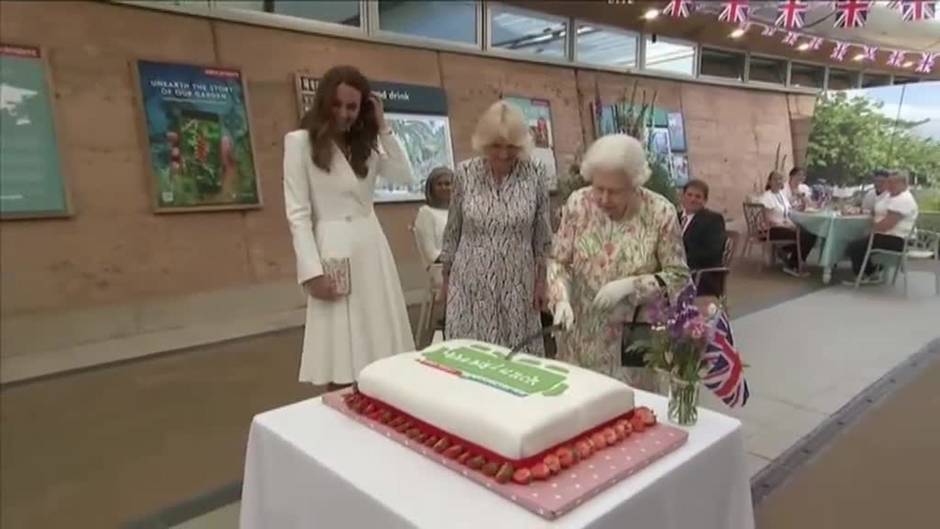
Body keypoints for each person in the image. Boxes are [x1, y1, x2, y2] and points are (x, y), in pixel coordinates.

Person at [283, 65, 416, 387]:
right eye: (337, 104)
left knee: (380, 338)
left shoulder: (366, 145)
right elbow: (297, 213)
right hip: (332, 248)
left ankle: (382, 398)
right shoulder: (300, 142)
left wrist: (382, 126)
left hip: (372, 246)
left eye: (353, 107)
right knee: (340, 348)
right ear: (324, 102)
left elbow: (404, 175)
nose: (344, 113)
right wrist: (311, 272)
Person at [549, 134, 690, 378]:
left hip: (634, 335)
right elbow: (558, 261)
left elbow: (679, 278)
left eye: (614, 191)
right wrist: (561, 299)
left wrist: (631, 286)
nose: (603, 199)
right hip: (581, 333)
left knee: (627, 405)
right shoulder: (578, 204)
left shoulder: (660, 213)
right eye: (598, 188)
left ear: (635, 184)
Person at [439, 100, 552, 356]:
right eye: (496, 146)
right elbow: (452, 230)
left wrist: (542, 282)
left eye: (511, 146)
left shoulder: (535, 173)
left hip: (518, 284)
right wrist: (445, 281)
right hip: (470, 282)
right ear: (483, 143)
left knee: (516, 361)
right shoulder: (465, 173)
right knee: (471, 358)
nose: (503, 154)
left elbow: (542, 235)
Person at [845, 170, 919, 284]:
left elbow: (887, 225)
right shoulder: (889, 196)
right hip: (885, 235)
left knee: (854, 246)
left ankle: (867, 274)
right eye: (889, 182)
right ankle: (872, 271)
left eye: (894, 182)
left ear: (903, 184)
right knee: (855, 240)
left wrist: (870, 230)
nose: (890, 185)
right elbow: (876, 210)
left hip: (897, 239)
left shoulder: (904, 199)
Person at [760, 171, 817, 277]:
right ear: (769, 181)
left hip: (785, 225)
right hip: (774, 229)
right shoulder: (767, 197)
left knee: (811, 234)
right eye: (775, 179)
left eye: (780, 179)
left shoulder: (781, 195)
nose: (778, 181)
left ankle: (793, 261)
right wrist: (784, 224)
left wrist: (792, 223)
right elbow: (768, 219)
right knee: (803, 236)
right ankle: (793, 264)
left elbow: (788, 212)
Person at [679, 179, 727, 297]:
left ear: (704, 201)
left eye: (698, 196)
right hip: (673, 271)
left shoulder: (713, 220)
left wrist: (679, 260)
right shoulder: (674, 217)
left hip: (701, 274)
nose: (692, 199)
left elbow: (713, 252)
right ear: (682, 197)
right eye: (689, 195)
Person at [413, 166, 453, 275]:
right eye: (439, 184)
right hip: (442, 273)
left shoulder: (461, 210)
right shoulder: (426, 213)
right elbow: (431, 254)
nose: (444, 187)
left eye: (448, 184)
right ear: (431, 188)